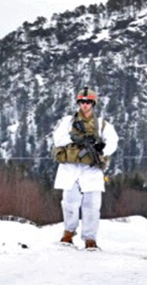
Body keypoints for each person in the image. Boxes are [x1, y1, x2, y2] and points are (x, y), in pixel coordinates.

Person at [51, 86, 119, 250]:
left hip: (91, 167)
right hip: (71, 166)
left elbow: (113, 141)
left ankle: (90, 238)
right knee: (69, 202)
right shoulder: (68, 121)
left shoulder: (102, 124)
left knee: (92, 205)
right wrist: (78, 139)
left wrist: (101, 150)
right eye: (82, 102)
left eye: (88, 102)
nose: (85, 105)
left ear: (93, 104)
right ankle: (68, 232)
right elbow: (58, 139)